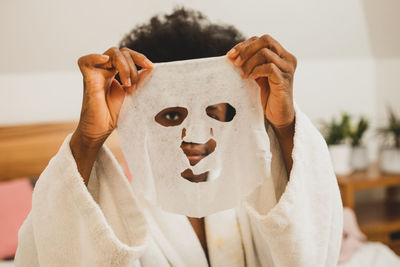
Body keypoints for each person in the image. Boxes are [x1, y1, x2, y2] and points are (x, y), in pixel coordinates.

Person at [15, 8, 343, 267]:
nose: (196, 136)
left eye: (217, 113)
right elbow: (51, 254)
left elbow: (309, 249)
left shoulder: (258, 192)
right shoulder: (118, 216)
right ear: (138, 120)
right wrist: (87, 139)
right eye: (172, 115)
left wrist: (285, 126)